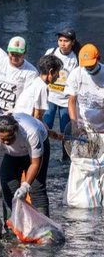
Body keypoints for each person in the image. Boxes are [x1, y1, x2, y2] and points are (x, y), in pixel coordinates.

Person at [0, 113, 50, 221]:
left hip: (34, 151)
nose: (7, 142)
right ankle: (11, 230)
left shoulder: (31, 132)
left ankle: (44, 229)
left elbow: (35, 163)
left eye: (10, 138)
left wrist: (25, 186)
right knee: (9, 191)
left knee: (37, 189)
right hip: (8, 155)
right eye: (3, 139)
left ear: (16, 130)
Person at [43, 28, 80, 159]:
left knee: (66, 130)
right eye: (60, 40)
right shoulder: (51, 53)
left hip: (66, 100)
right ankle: (42, 154)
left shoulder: (76, 59)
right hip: (51, 97)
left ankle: (66, 158)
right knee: (45, 126)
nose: (62, 43)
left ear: (73, 42)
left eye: (66, 41)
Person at [0, 36, 38, 116]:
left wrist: (14, 111)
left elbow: (27, 98)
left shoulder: (32, 73)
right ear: (8, 52)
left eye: (18, 54)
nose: (14, 57)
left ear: (24, 53)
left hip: (15, 115)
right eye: (12, 54)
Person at [65, 43, 104, 135]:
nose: (89, 67)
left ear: (98, 59)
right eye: (86, 65)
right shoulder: (75, 74)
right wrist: (74, 125)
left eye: (91, 64)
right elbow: (72, 101)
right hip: (82, 126)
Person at [13, 54, 63, 126]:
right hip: (24, 123)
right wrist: (46, 132)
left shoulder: (36, 81)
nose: (58, 76)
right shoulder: (42, 87)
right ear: (51, 72)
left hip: (17, 119)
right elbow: (37, 117)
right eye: (57, 72)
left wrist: (49, 131)